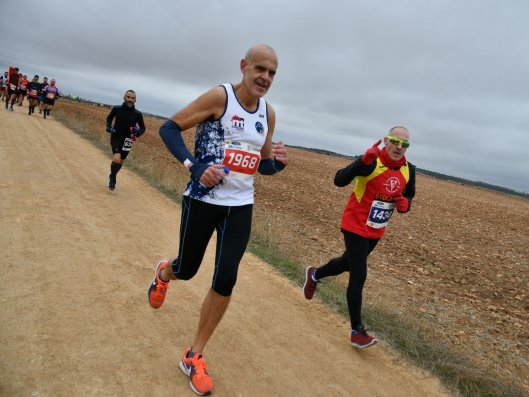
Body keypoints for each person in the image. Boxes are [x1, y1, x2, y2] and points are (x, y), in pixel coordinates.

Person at [148, 44, 287, 396]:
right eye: (259, 68)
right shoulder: (220, 97)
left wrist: (278, 164)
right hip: (202, 200)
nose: (265, 77)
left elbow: (262, 164)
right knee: (188, 269)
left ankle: (193, 355)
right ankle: (166, 272)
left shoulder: (267, 114)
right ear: (243, 66)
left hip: (240, 205)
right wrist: (195, 167)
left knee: (226, 277)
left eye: (271, 72)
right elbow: (169, 128)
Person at [303, 126, 416, 348]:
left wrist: (406, 205)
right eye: (395, 141)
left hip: (376, 228)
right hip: (355, 223)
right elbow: (339, 180)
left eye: (405, 144)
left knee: (346, 263)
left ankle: (315, 274)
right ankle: (357, 330)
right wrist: (361, 162)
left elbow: (409, 194)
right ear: (386, 141)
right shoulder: (372, 161)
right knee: (359, 273)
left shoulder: (409, 169)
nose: (399, 147)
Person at [104, 90, 145, 190]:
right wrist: (109, 127)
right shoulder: (117, 109)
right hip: (116, 136)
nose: (130, 100)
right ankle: (113, 179)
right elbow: (109, 118)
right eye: (128, 97)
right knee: (116, 158)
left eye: (132, 98)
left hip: (128, 140)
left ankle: (112, 175)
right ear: (124, 98)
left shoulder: (137, 114)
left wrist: (137, 132)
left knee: (121, 161)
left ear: (135, 100)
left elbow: (143, 128)